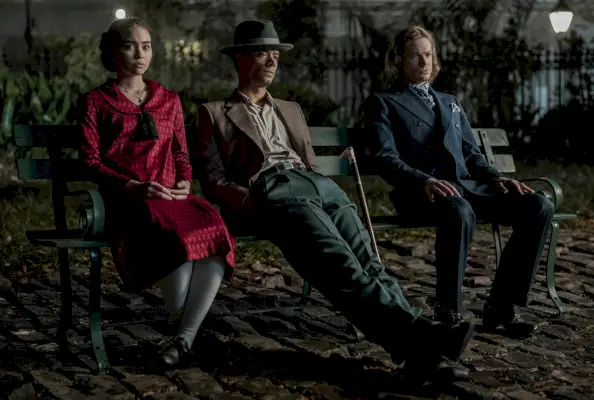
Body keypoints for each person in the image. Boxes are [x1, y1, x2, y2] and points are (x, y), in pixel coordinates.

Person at [194, 19, 474, 382]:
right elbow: (213, 178)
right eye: (262, 53)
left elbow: (308, 160)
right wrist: (252, 203)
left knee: (369, 262)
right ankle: (424, 338)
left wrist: (319, 183)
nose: (272, 61)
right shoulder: (214, 112)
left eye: (275, 54)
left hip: (319, 186)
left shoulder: (291, 109)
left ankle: (419, 352)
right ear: (240, 59)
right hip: (273, 190)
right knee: (342, 264)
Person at [363, 25, 554, 337]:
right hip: (420, 192)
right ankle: (448, 310)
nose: (424, 62)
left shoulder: (449, 101)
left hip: (466, 187)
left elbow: (471, 153)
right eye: (414, 56)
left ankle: (501, 306)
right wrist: (423, 180)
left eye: (428, 55)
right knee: (459, 209)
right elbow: (384, 157)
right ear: (397, 60)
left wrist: (496, 178)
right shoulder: (383, 102)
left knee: (538, 205)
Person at [78, 18, 236, 367]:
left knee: (213, 225)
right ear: (113, 51)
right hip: (130, 199)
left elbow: (181, 152)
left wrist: (184, 181)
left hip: (171, 196)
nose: (140, 53)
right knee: (168, 231)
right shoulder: (95, 102)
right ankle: (190, 335)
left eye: (146, 46)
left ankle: (182, 339)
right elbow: (89, 161)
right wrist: (131, 185)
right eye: (130, 45)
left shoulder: (169, 100)